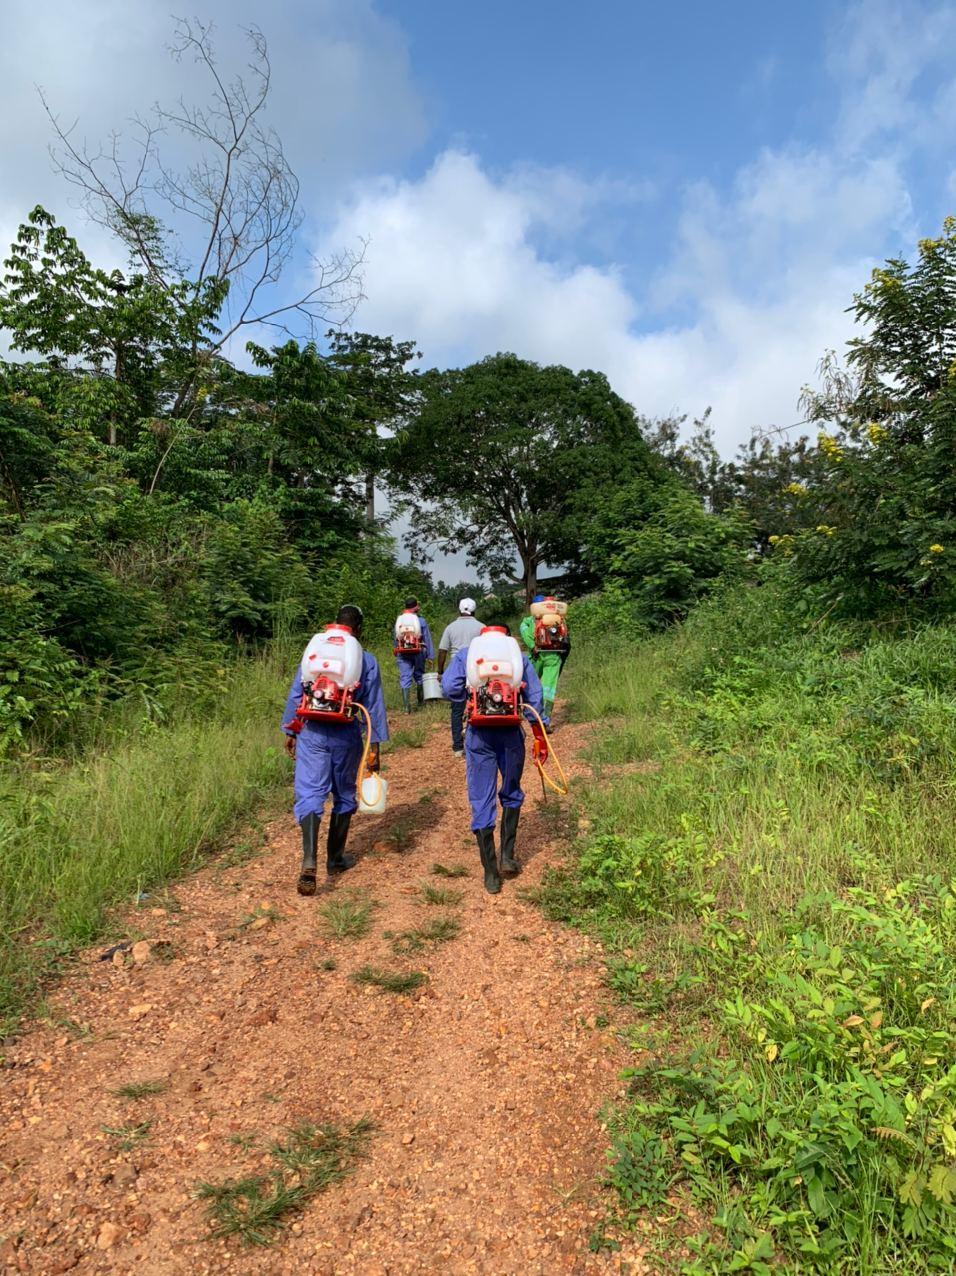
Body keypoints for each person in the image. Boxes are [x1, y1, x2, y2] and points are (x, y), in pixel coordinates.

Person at [281, 604, 389, 895]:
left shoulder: (315, 653)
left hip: (311, 732)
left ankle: (308, 859)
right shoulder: (365, 660)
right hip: (346, 734)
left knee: (309, 793)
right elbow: (373, 706)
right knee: (343, 794)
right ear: (359, 629)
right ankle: (335, 858)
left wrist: (291, 730)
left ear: (333, 624)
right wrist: (373, 745)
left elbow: (298, 692)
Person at [441, 627, 547, 894]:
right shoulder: (518, 657)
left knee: (481, 797)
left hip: (479, 735)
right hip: (511, 734)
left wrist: (467, 697)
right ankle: (507, 857)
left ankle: (490, 873)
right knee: (511, 790)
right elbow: (534, 696)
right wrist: (539, 734)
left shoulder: (467, 654)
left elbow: (448, 686)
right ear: (507, 638)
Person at [437, 597, 484, 757]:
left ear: (459, 610)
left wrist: (441, 671)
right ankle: (478, 742)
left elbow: (443, 650)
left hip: (456, 669)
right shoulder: (481, 627)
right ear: (474, 610)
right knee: (479, 705)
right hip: (477, 669)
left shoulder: (451, 627)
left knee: (457, 708)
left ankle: (458, 746)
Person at [519, 595, 570, 724]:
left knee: (528, 685)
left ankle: (525, 712)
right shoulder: (559, 620)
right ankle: (545, 719)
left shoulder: (527, 622)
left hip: (535, 656)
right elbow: (565, 638)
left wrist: (532, 646)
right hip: (554, 656)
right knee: (548, 688)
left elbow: (525, 635)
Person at [394, 596, 435, 713]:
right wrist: (430, 655)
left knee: (405, 677)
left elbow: (396, 637)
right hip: (419, 651)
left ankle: (406, 707)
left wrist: (396, 650)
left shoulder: (399, 619)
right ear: (415, 607)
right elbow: (427, 638)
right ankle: (421, 703)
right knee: (419, 676)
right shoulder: (421, 621)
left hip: (402, 652)